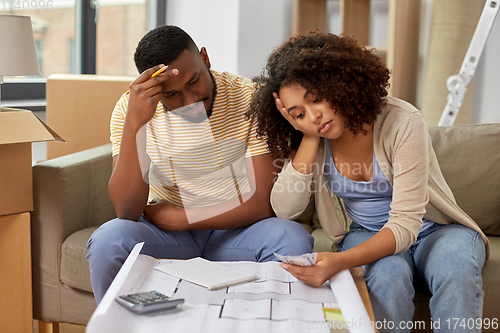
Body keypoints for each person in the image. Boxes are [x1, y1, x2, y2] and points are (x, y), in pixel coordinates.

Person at [247, 31, 489, 333]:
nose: (314, 115)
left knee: (456, 266)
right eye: (299, 113)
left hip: (435, 230)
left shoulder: (402, 121)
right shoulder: (316, 138)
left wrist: (339, 261)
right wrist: (309, 137)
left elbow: (405, 225)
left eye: (317, 99)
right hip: (366, 232)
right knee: (388, 276)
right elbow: (285, 209)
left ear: (338, 82)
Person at [86, 25, 313, 304]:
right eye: (171, 95)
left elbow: (264, 203)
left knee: (292, 239)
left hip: (238, 230)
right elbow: (127, 210)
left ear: (205, 59)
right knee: (109, 239)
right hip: (170, 238)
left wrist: (182, 218)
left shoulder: (250, 98)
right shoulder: (130, 109)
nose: (190, 101)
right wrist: (135, 125)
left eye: (194, 82)